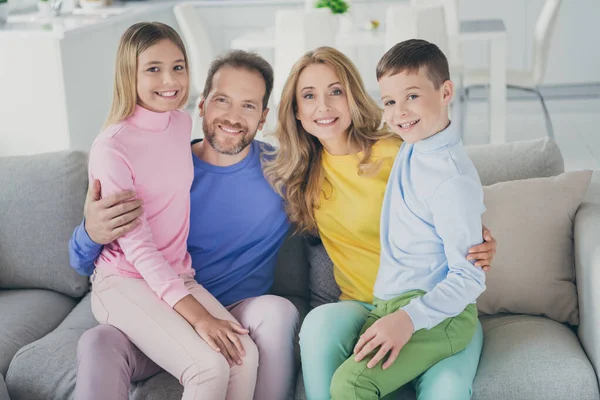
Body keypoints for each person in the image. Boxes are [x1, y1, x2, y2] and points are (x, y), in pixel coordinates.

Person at [262, 46, 496, 400]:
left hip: (432, 306)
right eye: (309, 96)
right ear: (296, 110)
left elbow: (451, 190)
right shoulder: (299, 176)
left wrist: (481, 241)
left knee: (446, 388)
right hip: (362, 307)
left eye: (335, 91)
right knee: (318, 326)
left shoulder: (401, 149)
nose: (323, 106)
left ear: (353, 96)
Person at [69, 46, 297, 400]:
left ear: (263, 117)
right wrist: (90, 233)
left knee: (277, 312)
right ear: (202, 105)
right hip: (154, 306)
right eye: (222, 100)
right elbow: (82, 263)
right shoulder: (165, 171)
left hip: (232, 310)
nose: (233, 117)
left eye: (248, 105)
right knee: (99, 340)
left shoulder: (282, 174)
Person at [330, 39, 486, 399]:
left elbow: (470, 276)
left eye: (412, 96)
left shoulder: (451, 179)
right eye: (389, 101)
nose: (400, 112)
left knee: (351, 384)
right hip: (391, 303)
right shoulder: (411, 144)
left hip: (438, 312)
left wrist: (408, 319)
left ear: (446, 91)